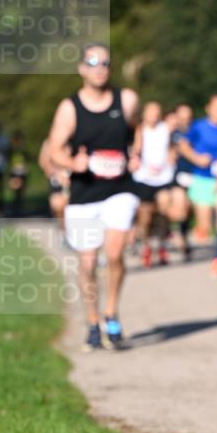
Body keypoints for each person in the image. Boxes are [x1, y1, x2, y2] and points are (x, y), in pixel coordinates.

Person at [47, 43, 140, 351]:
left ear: (110, 69)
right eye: (93, 62)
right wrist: (74, 164)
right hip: (84, 193)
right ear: (82, 69)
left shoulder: (126, 100)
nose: (99, 67)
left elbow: (136, 128)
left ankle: (111, 313)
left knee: (114, 253)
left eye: (105, 63)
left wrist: (135, 152)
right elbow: (55, 150)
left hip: (120, 189)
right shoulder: (69, 107)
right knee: (87, 264)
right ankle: (91, 322)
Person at [181, 94, 217, 278]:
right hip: (202, 180)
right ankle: (191, 231)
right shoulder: (198, 126)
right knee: (204, 227)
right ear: (208, 108)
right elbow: (183, 145)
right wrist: (196, 158)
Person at [132, 101, 176, 267]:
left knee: (165, 206)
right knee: (145, 215)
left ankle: (163, 246)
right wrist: (135, 158)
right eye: (151, 112)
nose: (154, 116)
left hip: (163, 177)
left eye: (157, 112)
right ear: (145, 114)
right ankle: (147, 246)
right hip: (144, 177)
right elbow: (136, 148)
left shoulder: (165, 128)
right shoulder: (140, 129)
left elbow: (172, 146)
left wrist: (171, 157)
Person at [168, 103, 194, 261]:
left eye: (188, 118)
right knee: (181, 208)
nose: (185, 121)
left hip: (194, 176)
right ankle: (181, 238)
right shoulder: (172, 134)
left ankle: (183, 233)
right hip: (178, 176)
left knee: (189, 209)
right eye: (182, 117)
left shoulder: (195, 132)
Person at [38, 137, 70, 229]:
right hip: (57, 180)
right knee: (57, 204)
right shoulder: (49, 142)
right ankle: (62, 230)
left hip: (73, 180)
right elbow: (44, 162)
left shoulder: (78, 138)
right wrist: (56, 174)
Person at [7, 130, 29, 216]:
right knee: (16, 190)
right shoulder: (11, 150)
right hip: (14, 173)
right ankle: (16, 208)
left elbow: (25, 161)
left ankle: (19, 208)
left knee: (20, 191)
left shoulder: (23, 150)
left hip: (22, 172)